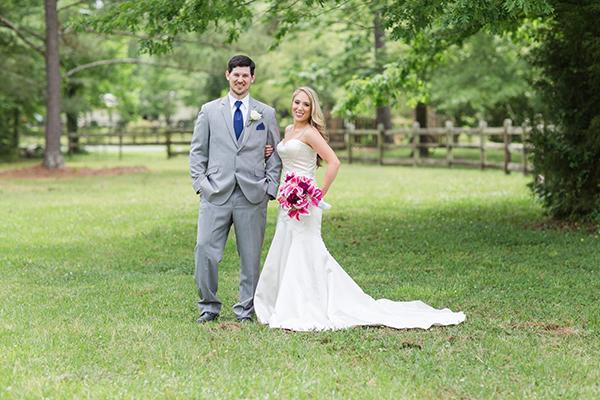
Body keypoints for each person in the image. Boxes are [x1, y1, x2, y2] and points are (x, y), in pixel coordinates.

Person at [254, 87, 466, 331]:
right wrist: (272, 151)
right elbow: (287, 156)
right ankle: (283, 302)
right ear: (291, 103)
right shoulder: (290, 130)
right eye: (297, 102)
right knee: (286, 247)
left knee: (305, 249)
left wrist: (316, 195)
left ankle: (305, 307)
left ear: (312, 109)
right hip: (287, 199)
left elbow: (334, 162)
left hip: (306, 201)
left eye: (306, 104)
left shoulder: (311, 133)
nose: (300, 108)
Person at [190, 55, 282, 323]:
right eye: (236, 74)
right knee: (205, 249)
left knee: (250, 257)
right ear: (227, 75)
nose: (240, 79)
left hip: (252, 194)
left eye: (245, 75)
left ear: (252, 78)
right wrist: (201, 185)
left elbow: (274, 153)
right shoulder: (209, 111)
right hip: (215, 193)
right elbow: (197, 152)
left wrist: (270, 188)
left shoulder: (265, 113)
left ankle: (246, 309)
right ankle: (208, 306)